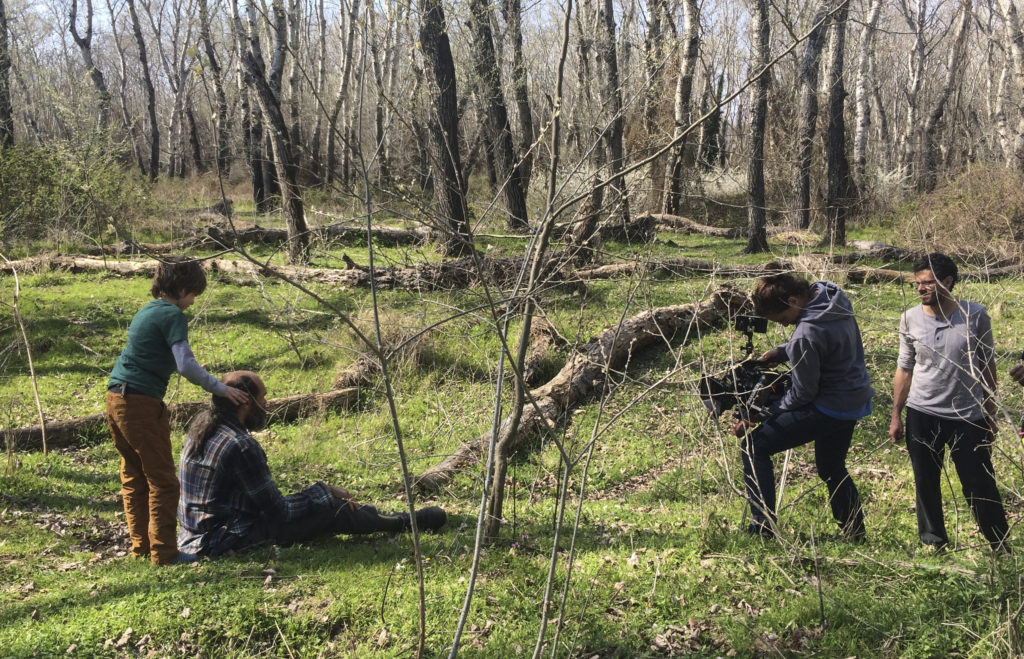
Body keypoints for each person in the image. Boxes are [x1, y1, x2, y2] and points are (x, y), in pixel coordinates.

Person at [178, 371, 447, 557]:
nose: (267, 404)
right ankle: (401, 522)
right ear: (245, 402)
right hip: (224, 539)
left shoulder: (200, 430)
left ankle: (381, 515)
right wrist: (324, 492)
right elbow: (279, 513)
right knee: (332, 509)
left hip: (195, 535)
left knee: (319, 501)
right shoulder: (240, 445)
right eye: (263, 398)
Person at [106, 257, 250, 566]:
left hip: (115, 398)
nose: (193, 302)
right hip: (141, 404)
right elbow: (184, 365)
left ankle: (141, 547)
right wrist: (223, 389)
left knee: (134, 475)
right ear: (182, 289)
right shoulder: (173, 314)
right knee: (164, 481)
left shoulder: (147, 310)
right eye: (193, 295)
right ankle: (166, 553)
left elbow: (156, 355)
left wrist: (200, 371)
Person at [737, 270, 873, 540]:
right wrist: (784, 350)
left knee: (753, 447)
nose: (786, 326)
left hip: (829, 405)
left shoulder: (804, 334)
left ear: (793, 300)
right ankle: (854, 532)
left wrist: (767, 412)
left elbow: (802, 393)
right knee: (831, 464)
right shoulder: (831, 295)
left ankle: (763, 528)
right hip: (854, 399)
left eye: (785, 319)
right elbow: (824, 338)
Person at [889, 253, 1009, 552]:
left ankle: (999, 542)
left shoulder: (974, 315)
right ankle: (934, 541)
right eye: (917, 283)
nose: (920, 289)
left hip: (967, 416)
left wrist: (990, 413)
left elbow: (986, 366)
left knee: (979, 482)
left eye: (927, 283)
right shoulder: (909, 319)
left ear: (947, 282)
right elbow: (905, 367)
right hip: (922, 412)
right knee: (925, 481)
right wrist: (896, 414)